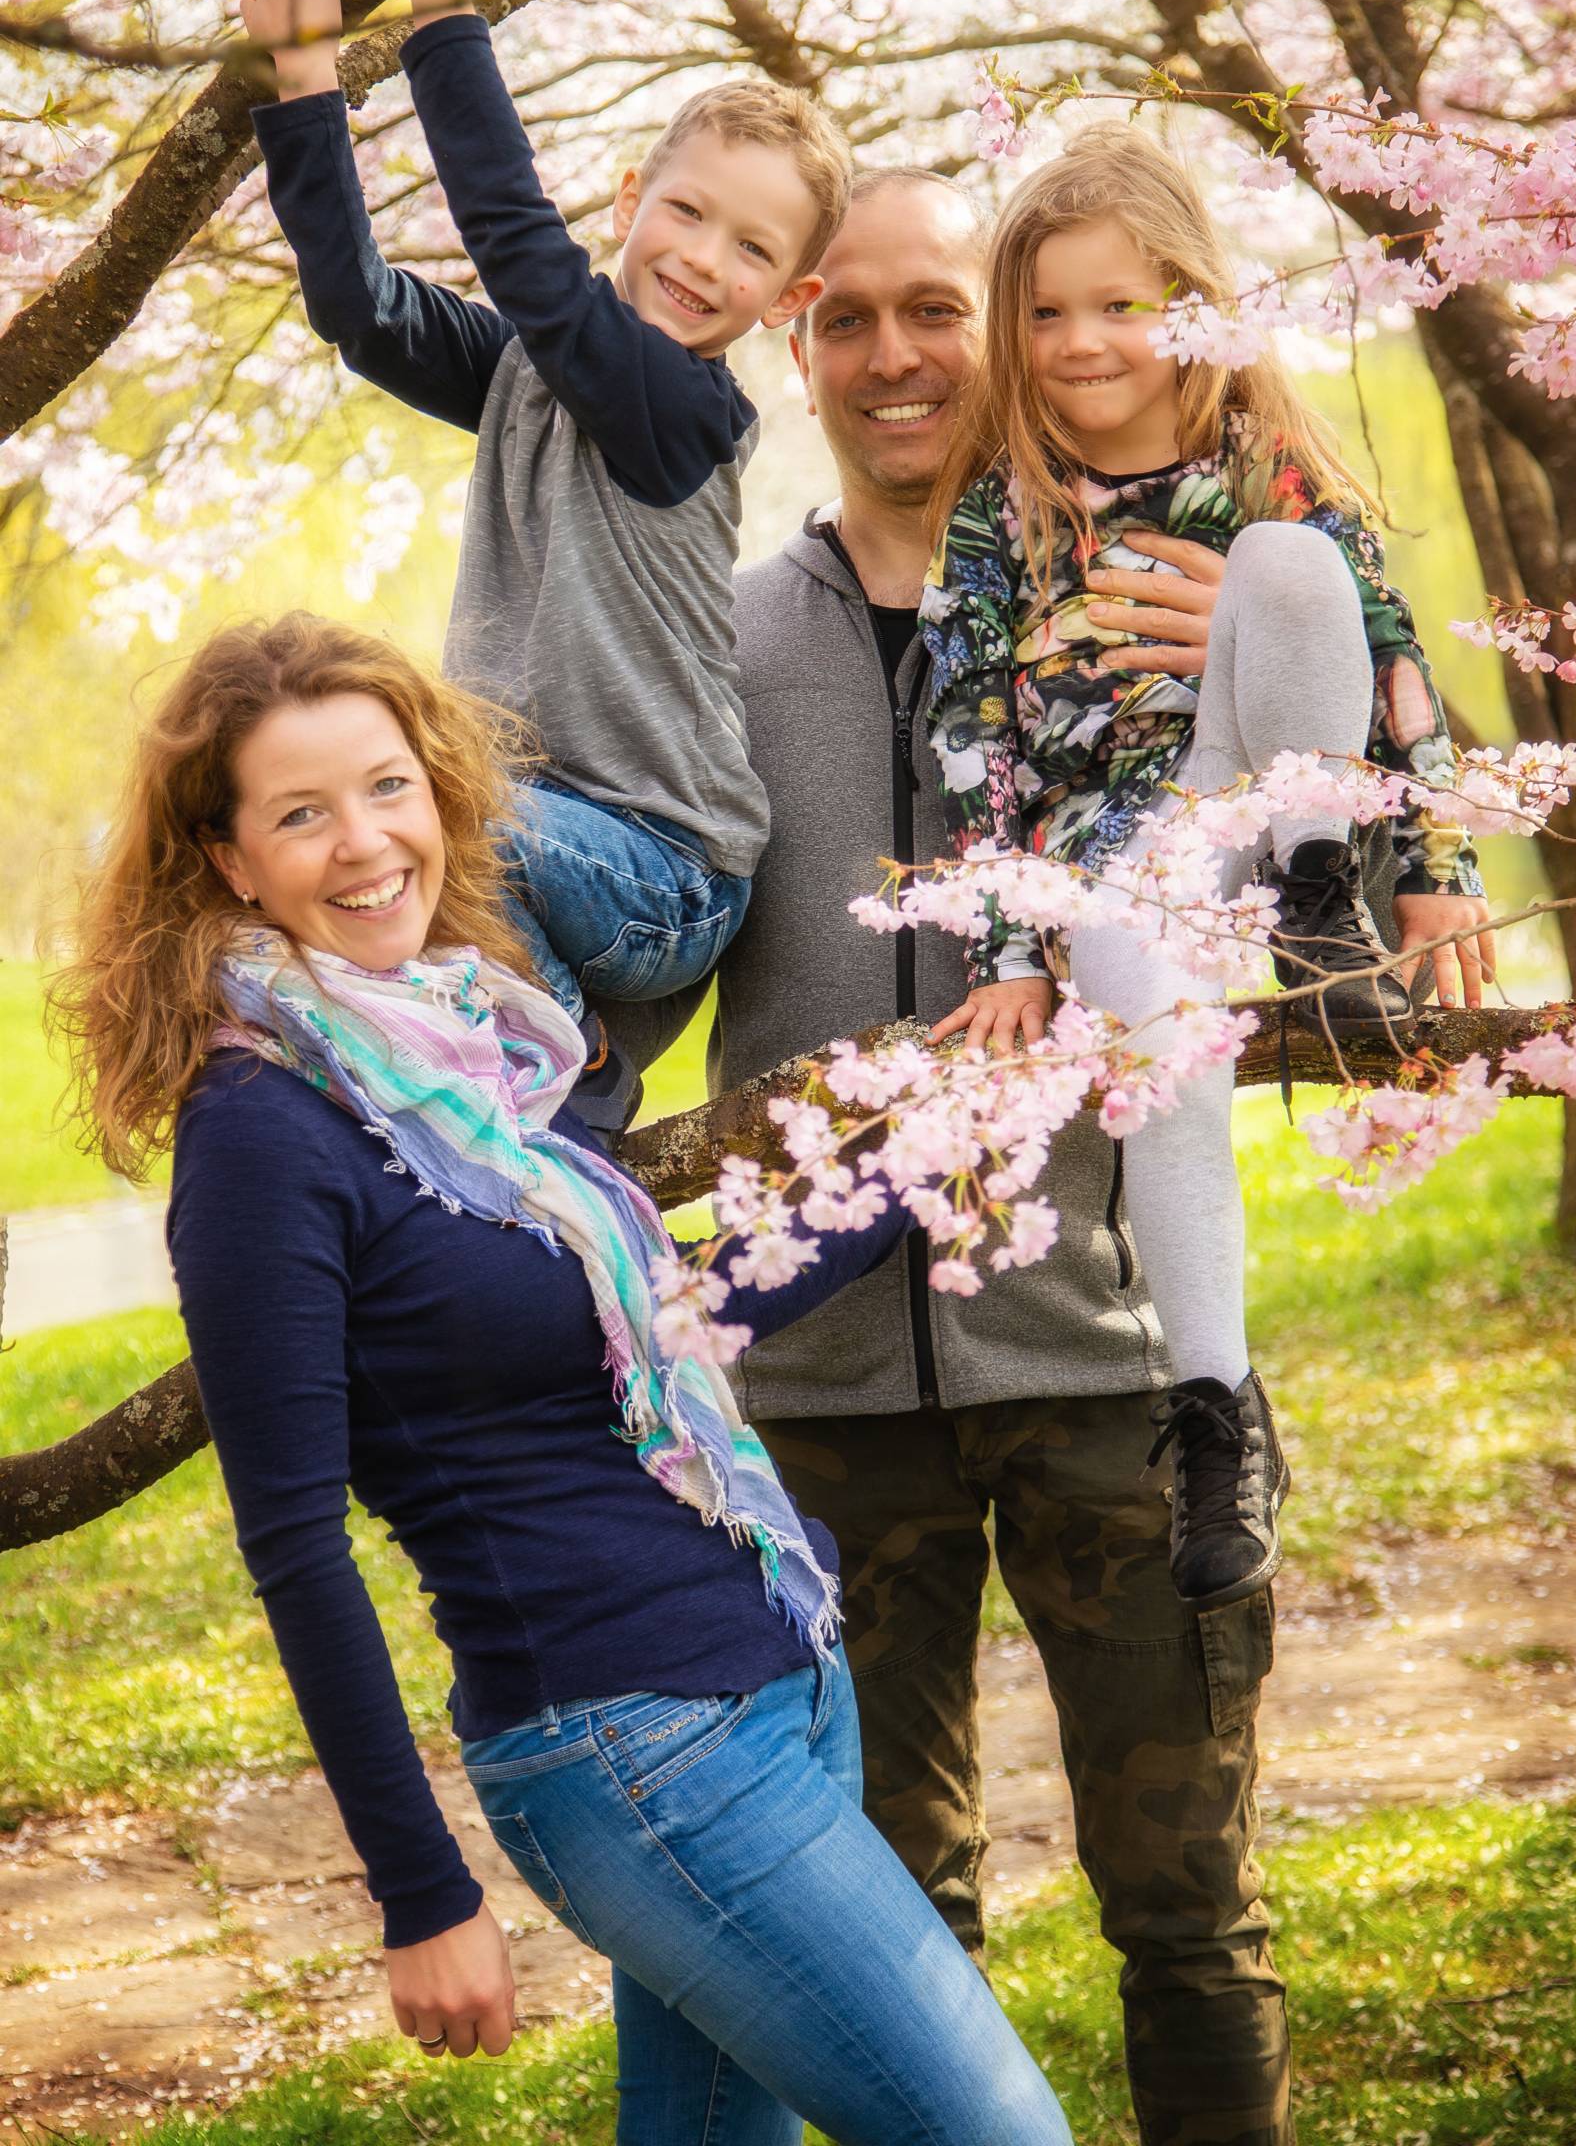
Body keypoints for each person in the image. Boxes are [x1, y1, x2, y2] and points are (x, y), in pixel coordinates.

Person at [50, 612, 1073, 2146]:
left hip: (776, 1672)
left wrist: (922, 1163)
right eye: (301, 814)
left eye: (387, 787)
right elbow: (293, 1540)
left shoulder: (472, 1057)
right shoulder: (265, 1135)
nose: (364, 843)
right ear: (228, 863)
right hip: (630, 1747)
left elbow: (667, 1315)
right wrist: (419, 1891)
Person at [643, 161, 1300, 2146]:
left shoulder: (1149, 583)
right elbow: (634, 953)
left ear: (1002, 328)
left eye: (940, 306)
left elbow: (1311, 900)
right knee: (886, 1931)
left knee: (1187, 1918)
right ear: (796, 342)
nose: (895, 353)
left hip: (1108, 1367)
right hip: (822, 1410)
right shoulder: (725, 636)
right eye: (846, 314)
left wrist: (1247, 710)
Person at [920, 125, 1488, 1611]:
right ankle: (1218, 1412)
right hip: (1128, 860)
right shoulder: (1000, 512)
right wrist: (1004, 950)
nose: (1081, 342)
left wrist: (1439, 864)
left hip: (1274, 808)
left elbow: (1397, 662)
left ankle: (1320, 909)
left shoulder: (1266, 465)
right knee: (1143, 1016)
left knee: (1297, 571)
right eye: (1044, 313)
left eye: (1121, 305)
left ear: (1193, 304)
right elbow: (973, 737)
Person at [239, 0, 850, 1023]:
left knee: (428, 804)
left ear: (787, 301)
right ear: (631, 199)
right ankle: (551, 1087)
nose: (701, 259)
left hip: (665, 871)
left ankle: (542, 1073)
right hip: (519, 839)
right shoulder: (539, 371)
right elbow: (361, 311)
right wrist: (306, 84)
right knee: (403, 813)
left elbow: (521, 247)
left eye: (753, 251)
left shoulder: (683, 411)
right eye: (685, 211)